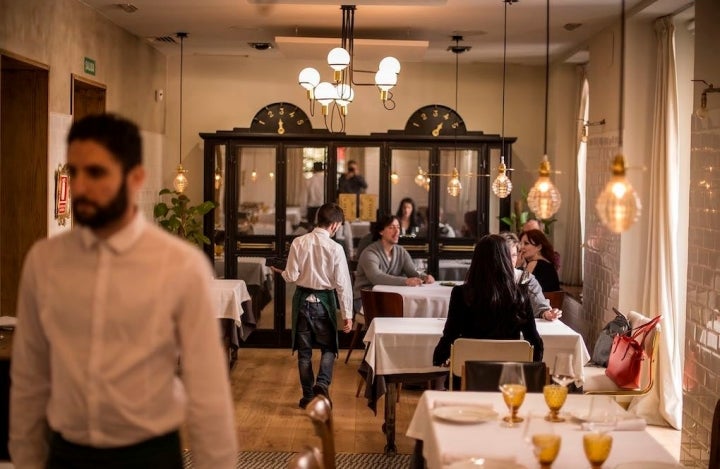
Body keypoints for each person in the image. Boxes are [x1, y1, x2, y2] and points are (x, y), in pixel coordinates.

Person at [10, 114, 237, 468]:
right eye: (74, 171)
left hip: (148, 455)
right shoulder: (44, 261)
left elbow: (208, 391)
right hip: (65, 453)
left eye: (96, 173)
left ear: (135, 178)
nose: (80, 186)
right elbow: (29, 378)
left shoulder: (180, 265)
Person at [271, 203, 353, 410]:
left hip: (302, 303)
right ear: (334, 225)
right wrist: (347, 314)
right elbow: (343, 284)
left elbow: (291, 276)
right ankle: (322, 383)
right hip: (324, 303)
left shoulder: (299, 242)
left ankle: (308, 397)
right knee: (329, 348)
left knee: (304, 353)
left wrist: (278, 270)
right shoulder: (336, 248)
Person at [432, 234, 544, 367]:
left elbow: (450, 335)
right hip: (507, 377)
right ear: (505, 260)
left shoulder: (461, 294)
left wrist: (439, 358)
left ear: (476, 260)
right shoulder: (519, 295)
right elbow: (534, 341)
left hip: (468, 374)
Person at [353, 215, 435, 314]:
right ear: (381, 231)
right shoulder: (370, 253)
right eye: (391, 227)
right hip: (366, 299)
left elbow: (412, 272)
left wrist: (424, 277)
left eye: (398, 227)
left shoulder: (401, 251)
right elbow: (376, 277)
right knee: (402, 311)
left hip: (388, 297)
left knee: (416, 310)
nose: (396, 232)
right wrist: (406, 281)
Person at [500, 231, 562, 321]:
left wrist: (519, 266)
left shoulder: (532, 265)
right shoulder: (546, 263)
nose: (522, 247)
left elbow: (522, 287)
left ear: (539, 247)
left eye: (526, 243)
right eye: (521, 243)